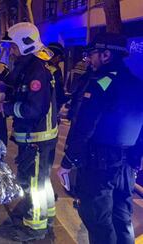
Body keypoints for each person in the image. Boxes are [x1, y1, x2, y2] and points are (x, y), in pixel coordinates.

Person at [57, 33, 143, 244]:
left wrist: (68, 162)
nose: (89, 59)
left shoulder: (100, 83)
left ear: (106, 55)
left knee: (97, 217)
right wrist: (137, 158)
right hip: (126, 164)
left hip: (99, 163)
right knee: (121, 216)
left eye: (92, 54)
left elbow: (85, 126)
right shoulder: (136, 82)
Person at [0, 22, 57, 241]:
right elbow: (16, 82)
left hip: (36, 138)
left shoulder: (36, 71)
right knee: (41, 181)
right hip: (38, 137)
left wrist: (7, 108)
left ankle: (35, 226)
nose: (10, 50)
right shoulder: (30, 65)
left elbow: (34, 109)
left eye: (12, 46)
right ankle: (47, 215)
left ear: (24, 44)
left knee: (33, 183)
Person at [47, 42, 69, 113]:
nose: (59, 61)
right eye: (59, 59)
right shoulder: (54, 71)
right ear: (57, 57)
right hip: (51, 107)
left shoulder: (41, 67)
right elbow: (58, 91)